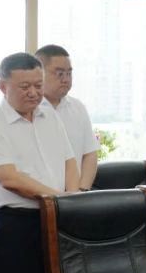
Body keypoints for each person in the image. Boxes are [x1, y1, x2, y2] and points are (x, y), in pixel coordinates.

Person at [0, 52, 79, 273]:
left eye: (38, 85)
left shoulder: (50, 116)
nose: (33, 93)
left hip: (56, 219)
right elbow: (10, 179)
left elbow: (69, 162)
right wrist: (58, 199)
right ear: (3, 86)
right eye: (24, 86)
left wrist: (72, 201)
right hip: (14, 225)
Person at [35, 44, 100, 191]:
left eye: (69, 73)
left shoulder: (78, 108)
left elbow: (90, 154)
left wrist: (81, 191)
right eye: (59, 74)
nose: (65, 79)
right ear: (39, 73)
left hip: (75, 196)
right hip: (38, 197)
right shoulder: (30, 109)